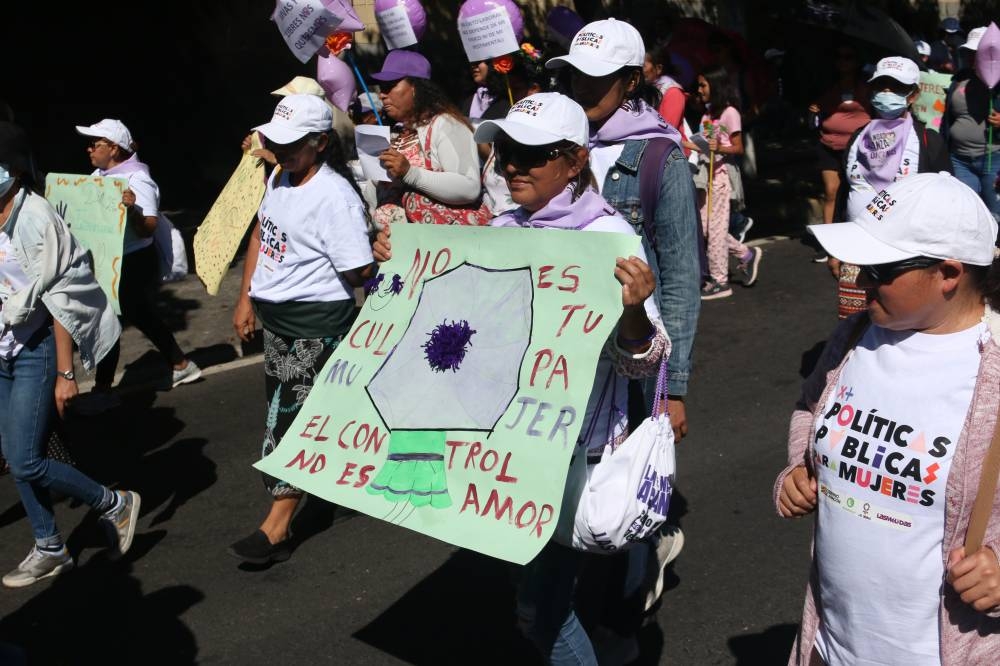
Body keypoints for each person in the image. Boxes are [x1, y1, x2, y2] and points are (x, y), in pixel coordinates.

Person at [373, 91, 667, 666]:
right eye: (506, 150)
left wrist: (632, 310)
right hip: (505, 447)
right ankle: (610, 641)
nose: (512, 164)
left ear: (575, 160)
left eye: (532, 154)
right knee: (538, 595)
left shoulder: (608, 240)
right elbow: (451, 321)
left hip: (568, 453)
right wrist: (401, 267)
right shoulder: (502, 226)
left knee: (541, 613)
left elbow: (646, 359)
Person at [776, 171, 1000, 665]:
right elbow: (808, 410)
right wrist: (799, 468)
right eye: (857, 264)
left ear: (948, 273)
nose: (857, 279)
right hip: (832, 645)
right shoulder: (854, 336)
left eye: (880, 269)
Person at [544, 16, 699, 649]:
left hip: (632, 351)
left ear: (631, 80)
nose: (581, 89)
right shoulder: (551, 144)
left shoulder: (659, 157)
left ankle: (625, 603)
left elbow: (682, 278)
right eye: (572, 77)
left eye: (596, 81)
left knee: (620, 486)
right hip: (563, 355)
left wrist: (677, 385)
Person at [227, 94, 375, 564]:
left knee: (291, 421)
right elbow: (261, 236)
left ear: (321, 143)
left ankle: (277, 526)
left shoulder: (334, 197)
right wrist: (246, 296)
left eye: (293, 144)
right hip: (278, 322)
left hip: (316, 324)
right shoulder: (278, 176)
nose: (282, 150)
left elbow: (359, 273)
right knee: (298, 411)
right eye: (277, 141)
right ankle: (345, 480)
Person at [0, 122, 141, 587]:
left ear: (14, 170)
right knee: (18, 452)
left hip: (35, 349)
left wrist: (66, 373)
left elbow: (61, 298)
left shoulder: (37, 216)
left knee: (24, 461)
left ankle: (113, 503)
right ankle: (50, 546)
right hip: (1, 349)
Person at [72, 118, 201, 415]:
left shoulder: (137, 180)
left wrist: (131, 210)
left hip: (131, 261)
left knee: (109, 322)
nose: (89, 149)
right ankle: (182, 364)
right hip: (113, 259)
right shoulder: (101, 174)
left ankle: (103, 391)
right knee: (140, 315)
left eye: (95, 144)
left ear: (113, 149)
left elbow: (148, 228)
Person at [832, 56, 951, 319]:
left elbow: (946, 199)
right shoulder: (858, 137)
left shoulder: (928, 141)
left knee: (900, 321)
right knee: (854, 323)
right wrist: (835, 249)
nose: (886, 93)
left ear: (912, 95)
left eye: (896, 87)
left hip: (906, 251)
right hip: (856, 249)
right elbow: (845, 191)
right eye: (881, 86)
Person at [370, 50, 487, 227]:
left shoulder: (446, 124)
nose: (382, 94)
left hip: (442, 248)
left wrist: (410, 173)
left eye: (390, 86)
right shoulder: (397, 133)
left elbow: (469, 187)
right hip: (404, 249)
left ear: (416, 88)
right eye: (381, 88)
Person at [685, 65, 763, 299]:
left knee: (716, 231)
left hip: (720, 176)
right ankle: (745, 254)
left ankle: (720, 281)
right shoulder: (709, 115)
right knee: (706, 228)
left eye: (703, 85)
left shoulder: (730, 113)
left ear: (715, 86)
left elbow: (736, 147)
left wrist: (719, 147)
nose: (699, 90)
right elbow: (705, 144)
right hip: (704, 174)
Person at [808, 44, 872, 262]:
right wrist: (814, 110)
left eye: (849, 57)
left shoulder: (866, 86)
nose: (844, 62)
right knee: (831, 191)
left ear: (856, 61)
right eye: (839, 57)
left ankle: (857, 235)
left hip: (857, 147)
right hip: (828, 143)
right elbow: (818, 107)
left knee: (856, 190)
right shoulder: (827, 85)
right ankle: (828, 242)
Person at [942, 26, 1000, 221]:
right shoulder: (958, 80)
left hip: (993, 159)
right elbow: (947, 119)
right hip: (959, 160)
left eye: (977, 53)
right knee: (964, 213)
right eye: (969, 52)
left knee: (995, 212)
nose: (972, 57)